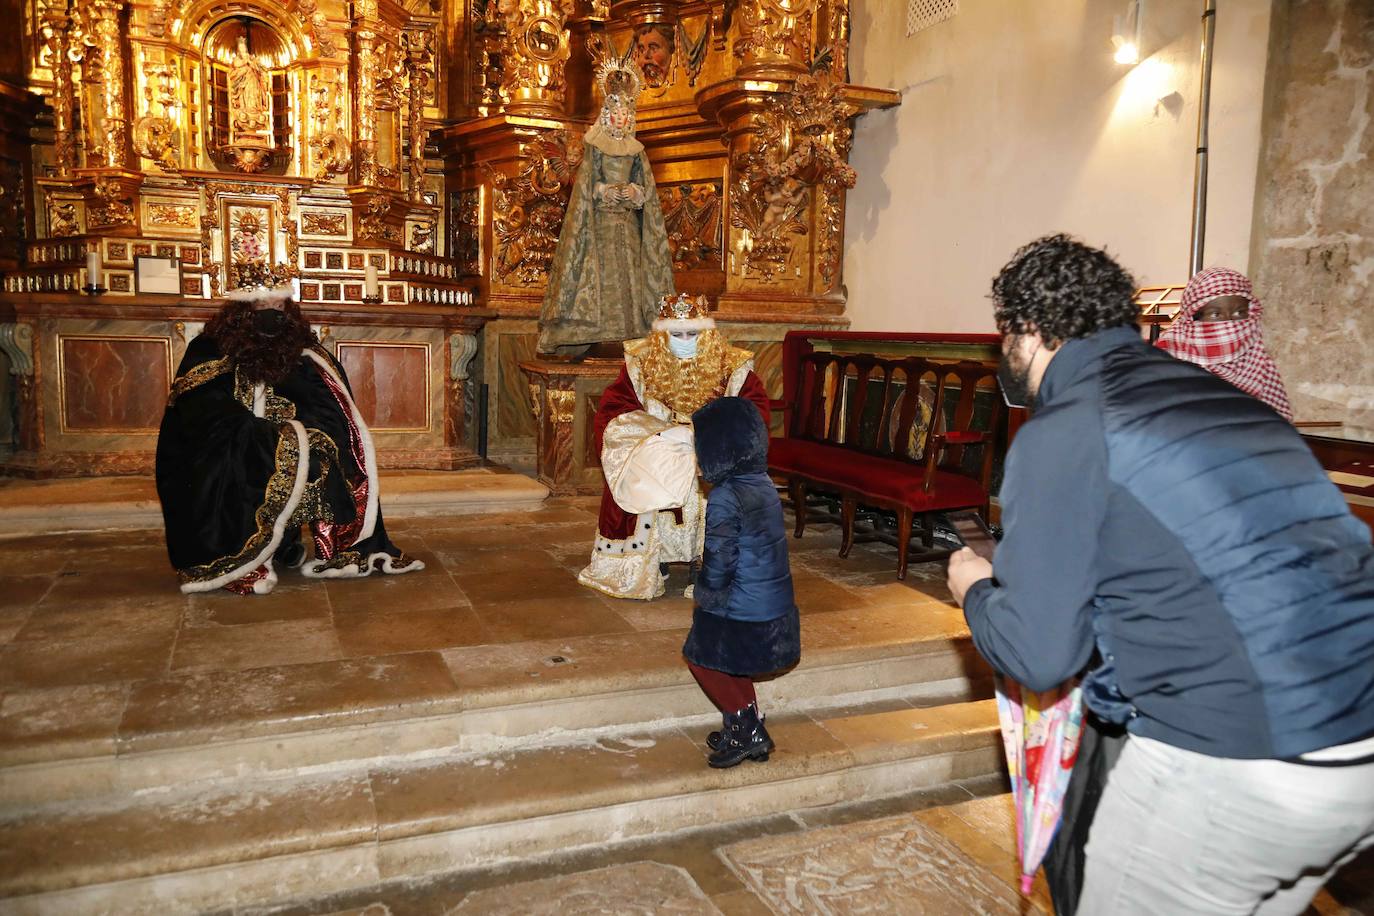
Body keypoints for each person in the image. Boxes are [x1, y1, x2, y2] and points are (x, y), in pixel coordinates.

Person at [946, 234, 1374, 914]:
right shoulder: (1230, 400)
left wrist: (976, 592)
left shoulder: (1068, 426)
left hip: (1237, 757)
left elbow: (1039, 651)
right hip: (1357, 755)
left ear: (1029, 331)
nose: (1003, 355)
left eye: (1005, 337)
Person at [156, 278, 423, 595]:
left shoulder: (301, 347)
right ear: (242, 310)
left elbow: (329, 402)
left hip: (288, 436)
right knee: (258, 452)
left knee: (322, 448)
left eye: (279, 306)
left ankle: (309, 543)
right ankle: (252, 551)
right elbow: (199, 407)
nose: (272, 313)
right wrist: (252, 430)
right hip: (229, 439)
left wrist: (314, 431)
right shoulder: (210, 347)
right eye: (262, 306)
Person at [579, 293, 770, 601]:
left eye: (692, 334)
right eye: (675, 334)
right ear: (661, 335)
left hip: (709, 453)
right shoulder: (641, 364)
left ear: (706, 334)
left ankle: (709, 561)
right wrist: (658, 436)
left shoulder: (734, 368)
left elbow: (754, 415)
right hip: (658, 450)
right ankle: (655, 558)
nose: (684, 341)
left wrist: (708, 438)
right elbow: (613, 409)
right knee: (646, 467)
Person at [684, 395, 799, 769]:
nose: (698, 459)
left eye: (701, 449)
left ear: (721, 449)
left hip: (742, 606)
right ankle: (743, 724)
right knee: (731, 663)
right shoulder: (763, 482)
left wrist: (707, 594)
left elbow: (720, 560)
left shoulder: (725, 497)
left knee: (701, 658)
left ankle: (747, 730)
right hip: (772, 603)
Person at [538, 58, 675, 355]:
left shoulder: (637, 152)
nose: (622, 119)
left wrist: (634, 192)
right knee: (603, 277)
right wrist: (603, 190)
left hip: (627, 226)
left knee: (631, 277)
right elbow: (587, 184)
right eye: (616, 113)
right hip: (599, 227)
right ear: (607, 114)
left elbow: (647, 191)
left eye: (627, 114)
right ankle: (596, 335)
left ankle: (633, 333)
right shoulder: (596, 147)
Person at [1156, 266, 1293, 420]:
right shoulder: (1168, 358)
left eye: (1239, 313)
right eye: (1216, 314)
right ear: (1194, 318)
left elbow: (1275, 427)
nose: (1229, 322)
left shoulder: (1258, 359)